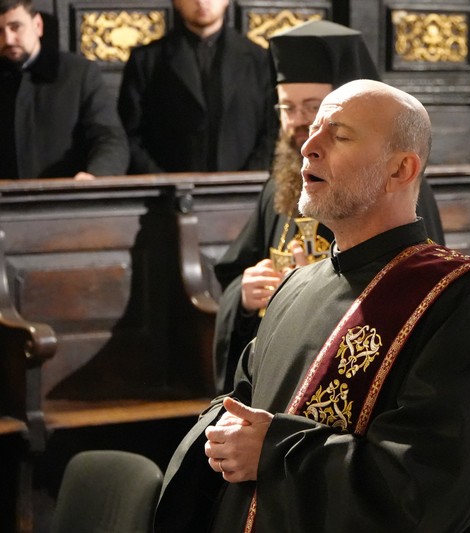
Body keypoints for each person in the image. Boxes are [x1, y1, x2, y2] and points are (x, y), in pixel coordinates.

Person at [154, 79, 470, 532]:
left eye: (340, 135)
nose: (308, 146)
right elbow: (241, 402)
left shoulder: (455, 299)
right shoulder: (296, 286)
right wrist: (224, 434)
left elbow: (429, 488)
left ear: (400, 169)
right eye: (313, 130)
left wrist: (275, 452)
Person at [212, 20, 444, 393]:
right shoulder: (281, 182)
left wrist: (318, 289)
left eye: (314, 109)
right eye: (287, 108)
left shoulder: (393, 187)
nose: (300, 127)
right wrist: (244, 293)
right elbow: (236, 271)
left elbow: (414, 299)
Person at [117, 0, 274, 174]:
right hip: (165, 186)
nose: (201, 2)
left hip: (246, 185)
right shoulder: (146, 60)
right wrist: (162, 181)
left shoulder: (259, 59)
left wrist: (248, 179)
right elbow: (128, 135)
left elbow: (273, 130)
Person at [0, 0, 128, 179]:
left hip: (67, 193)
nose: (8, 39)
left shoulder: (79, 73)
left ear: (37, 26)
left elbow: (109, 138)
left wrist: (96, 176)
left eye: (16, 27)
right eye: (0, 31)